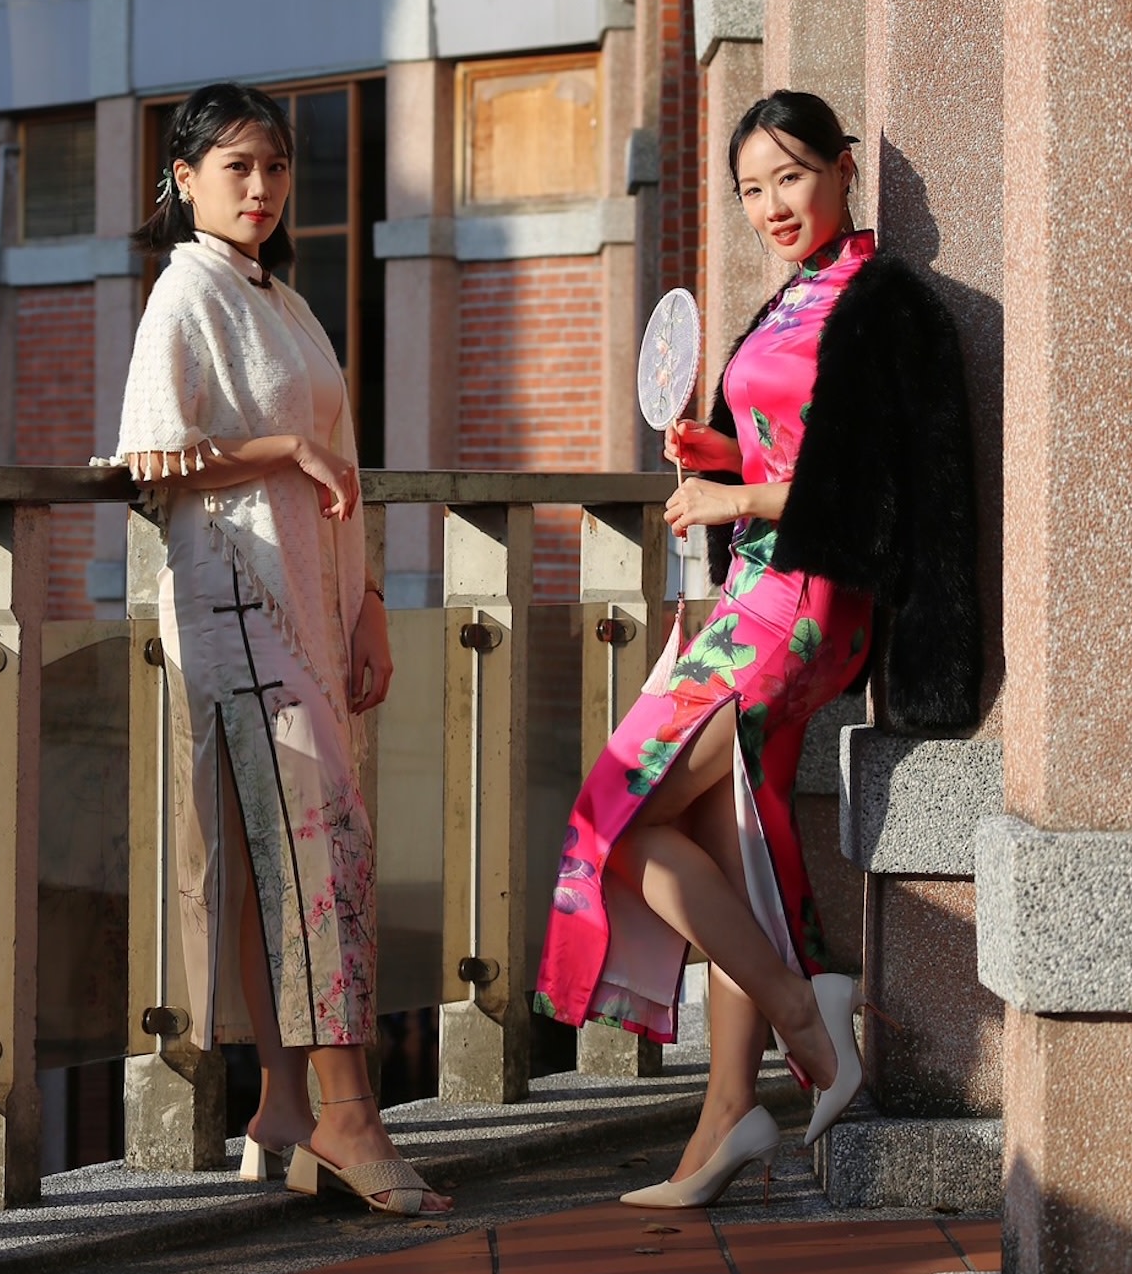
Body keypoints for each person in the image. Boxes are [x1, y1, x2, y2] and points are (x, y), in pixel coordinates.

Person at [534, 89, 981, 1208]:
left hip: (797, 605)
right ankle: (728, 1114)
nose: (772, 205)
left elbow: (873, 490)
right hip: (757, 592)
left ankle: (803, 1012)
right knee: (726, 837)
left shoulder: (880, 302)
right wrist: (718, 453)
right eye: (750, 188)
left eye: (791, 176)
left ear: (842, 169)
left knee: (612, 817)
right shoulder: (793, 297)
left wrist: (740, 494)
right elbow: (788, 448)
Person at [110, 82, 448, 1216]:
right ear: (184, 179)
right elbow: (151, 454)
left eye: (275, 167)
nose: (261, 188)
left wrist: (367, 602)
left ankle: (286, 1105)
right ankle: (348, 1113)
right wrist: (274, 451)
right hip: (236, 603)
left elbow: (342, 461)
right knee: (315, 845)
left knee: (287, 857)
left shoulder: (286, 302)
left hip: (311, 603)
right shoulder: (184, 292)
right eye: (236, 168)